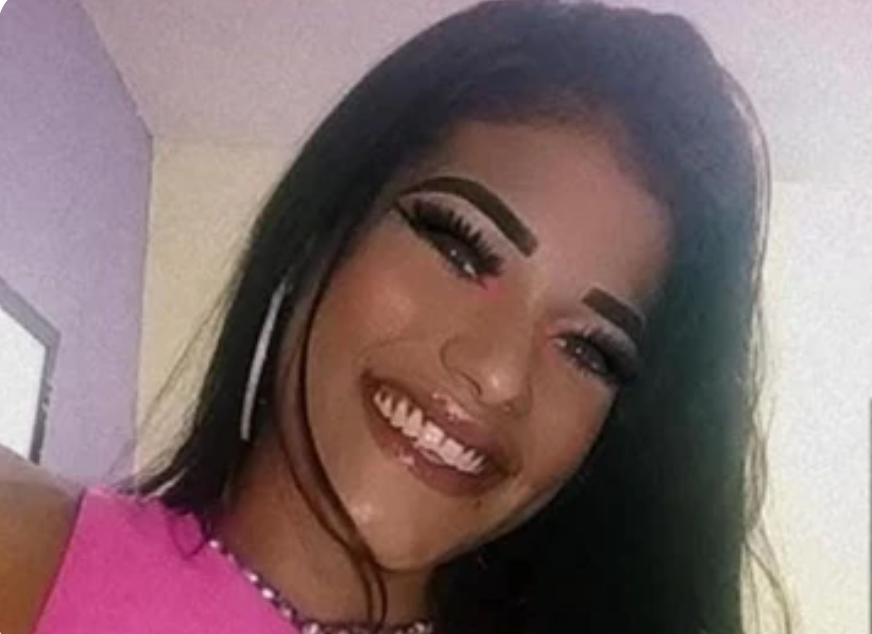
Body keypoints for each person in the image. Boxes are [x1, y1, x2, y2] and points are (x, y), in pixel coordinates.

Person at [0, 1, 786, 633]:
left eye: (589, 349)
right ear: (325, 224)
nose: (500, 374)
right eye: (460, 246)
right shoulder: (21, 552)